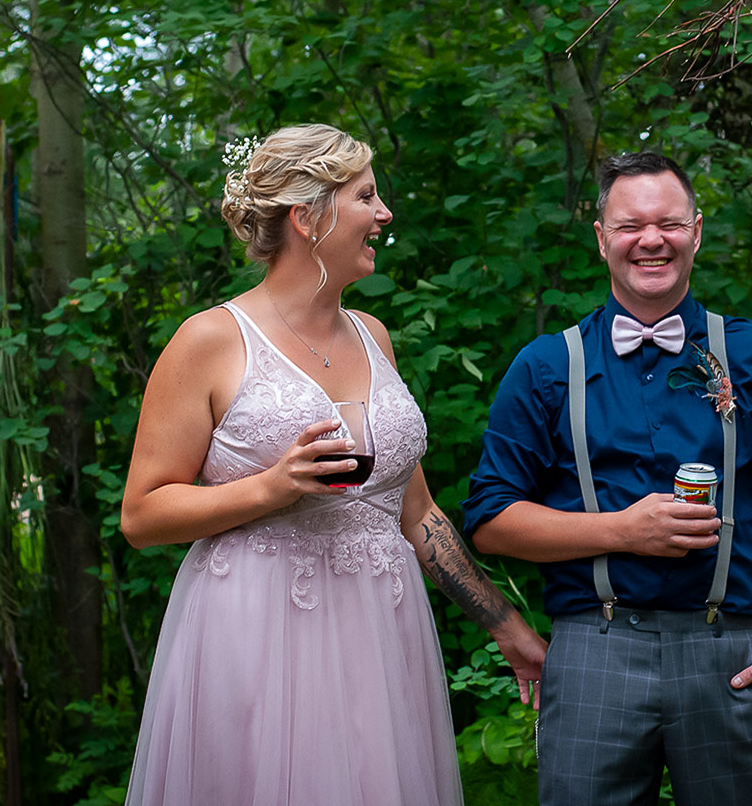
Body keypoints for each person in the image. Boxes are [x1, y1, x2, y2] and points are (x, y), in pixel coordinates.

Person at [119, 124, 546, 806]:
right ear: (307, 216)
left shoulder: (373, 336)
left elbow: (417, 513)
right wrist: (269, 487)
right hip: (257, 632)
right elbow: (141, 515)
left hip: (380, 628)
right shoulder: (210, 339)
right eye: (366, 197)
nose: (384, 215)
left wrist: (505, 625)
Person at [461, 150, 752, 806]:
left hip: (730, 652)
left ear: (695, 230)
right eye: (630, 225)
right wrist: (622, 530)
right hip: (592, 652)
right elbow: (490, 521)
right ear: (602, 238)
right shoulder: (546, 365)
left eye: (667, 222)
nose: (650, 240)